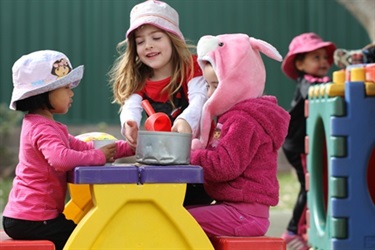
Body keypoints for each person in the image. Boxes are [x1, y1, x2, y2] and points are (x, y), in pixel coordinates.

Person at [2, 50, 135, 250]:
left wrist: (131, 147)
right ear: (43, 93)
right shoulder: (42, 128)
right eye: (65, 87)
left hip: (28, 216)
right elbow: (61, 159)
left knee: (80, 232)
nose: (71, 92)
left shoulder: (45, 125)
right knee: (82, 238)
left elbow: (84, 147)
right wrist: (98, 156)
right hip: (32, 218)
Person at [187, 33, 290, 238]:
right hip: (236, 210)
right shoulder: (234, 116)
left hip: (244, 215)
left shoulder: (244, 120)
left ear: (238, 82)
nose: (209, 94)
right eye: (208, 86)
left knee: (178, 221)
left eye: (215, 86)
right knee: (179, 214)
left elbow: (224, 166)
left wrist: (190, 154)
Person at [109, 0, 211, 205]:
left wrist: (185, 121)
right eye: (140, 41)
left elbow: (199, 101)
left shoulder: (190, 67)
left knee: (191, 205)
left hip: (195, 158)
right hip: (161, 159)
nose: (148, 45)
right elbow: (131, 106)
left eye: (156, 37)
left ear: (173, 39)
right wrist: (130, 124)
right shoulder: (140, 77)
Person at [280, 32, 336, 249]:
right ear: (300, 64)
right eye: (316, 58)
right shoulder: (308, 83)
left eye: (324, 58)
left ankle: (305, 229)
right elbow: (313, 93)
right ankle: (293, 231)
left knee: (315, 185)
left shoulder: (321, 81)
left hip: (308, 144)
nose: (323, 62)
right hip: (298, 145)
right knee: (310, 186)